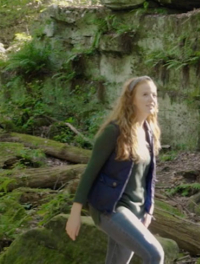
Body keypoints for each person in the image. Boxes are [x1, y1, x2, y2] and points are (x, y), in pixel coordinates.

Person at [65, 76, 164, 264]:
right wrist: (75, 213)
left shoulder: (149, 131)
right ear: (131, 99)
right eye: (145, 94)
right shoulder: (114, 131)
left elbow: (147, 178)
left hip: (136, 210)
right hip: (110, 207)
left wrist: (148, 210)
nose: (151, 99)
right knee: (154, 254)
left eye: (154, 94)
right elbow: (90, 172)